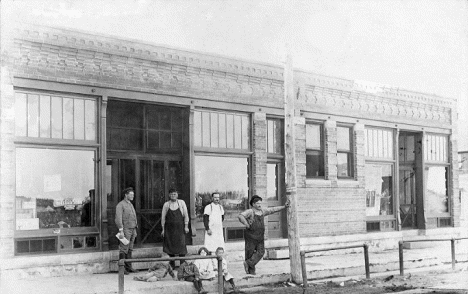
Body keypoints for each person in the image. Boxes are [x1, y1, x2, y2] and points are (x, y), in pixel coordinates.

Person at [238, 195, 289, 275]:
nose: (259, 205)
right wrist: (246, 224)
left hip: (260, 236)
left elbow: (272, 210)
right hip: (251, 236)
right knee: (250, 253)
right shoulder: (250, 211)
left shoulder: (262, 211)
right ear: (253, 204)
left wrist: (283, 207)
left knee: (261, 252)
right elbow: (241, 216)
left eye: (260, 203)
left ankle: (248, 263)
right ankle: (251, 272)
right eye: (258, 203)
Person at [161, 188, 189, 269]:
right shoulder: (166, 204)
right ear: (169, 195)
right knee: (170, 247)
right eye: (171, 194)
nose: (173, 196)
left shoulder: (181, 203)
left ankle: (182, 266)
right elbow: (163, 218)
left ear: (177, 195)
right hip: (169, 229)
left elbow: (186, 215)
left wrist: (186, 226)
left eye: (174, 194)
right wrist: (163, 229)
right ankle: (172, 265)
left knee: (182, 246)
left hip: (180, 229)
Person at [115, 187, 139, 274]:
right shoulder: (120, 205)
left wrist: (135, 229)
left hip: (133, 229)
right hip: (125, 229)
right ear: (126, 195)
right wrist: (121, 230)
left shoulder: (130, 204)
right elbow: (118, 218)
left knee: (130, 249)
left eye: (133, 194)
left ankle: (129, 267)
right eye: (131, 194)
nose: (133, 196)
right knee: (124, 248)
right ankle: (122, 268)